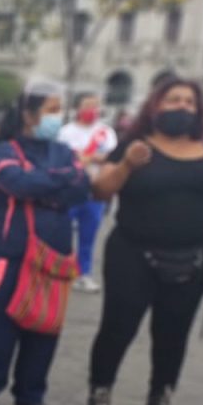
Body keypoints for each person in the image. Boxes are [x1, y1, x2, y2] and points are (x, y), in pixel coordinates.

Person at [86, 78, 203, 405]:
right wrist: (126, 165)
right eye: (174, 100)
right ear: (156, 106)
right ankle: (100, 393)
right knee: (118, 328)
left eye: (189, 102)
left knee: (173, 334)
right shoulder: (136, 146)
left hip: (190, 260)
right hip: (133, 256)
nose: (183, 107)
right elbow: (99, 190)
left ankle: (160, 398)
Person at [0, 80, 90, 405]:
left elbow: (81, 188)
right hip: (11, 257)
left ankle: (30, 397)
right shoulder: (3, 151)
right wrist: (55, 183)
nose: (57, 116)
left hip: (55, 259)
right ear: (29, 114)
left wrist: (44, 182)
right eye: (50, 109)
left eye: (58, 110)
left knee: (45, 329)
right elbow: (17, 184)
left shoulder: (64, 152)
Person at [58, 93, 118, 293]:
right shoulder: (66, 132)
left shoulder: (106, 132)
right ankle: (59, 270)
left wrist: (86, 157)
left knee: (89, 235)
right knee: (61, 231)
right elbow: (64, 156)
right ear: (78, 108)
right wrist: (90, 157)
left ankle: (84, 274)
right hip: (69, 189)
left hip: (94, 191)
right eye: (87, 105)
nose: (92, 109)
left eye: (95, 105)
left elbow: (111, 157)